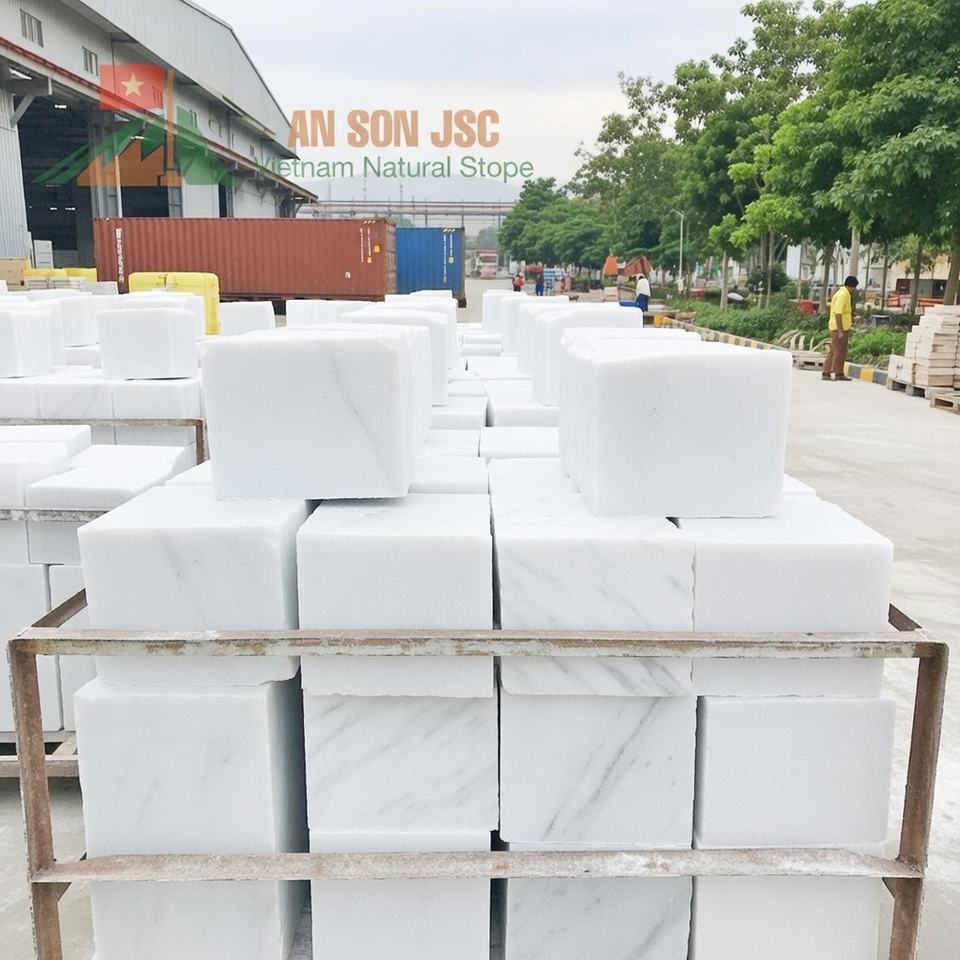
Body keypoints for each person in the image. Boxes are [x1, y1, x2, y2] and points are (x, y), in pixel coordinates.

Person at [823, 275, 859, 381]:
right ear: (852, 286)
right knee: (835, 350)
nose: (854, 290)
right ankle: (826, 372)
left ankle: (839, 373)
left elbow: (843, 312)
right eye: (854, 288)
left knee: (841, 350)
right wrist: (840, 330)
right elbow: (838, 313)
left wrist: (852, 317)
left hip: (843, 327)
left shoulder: (843, 293)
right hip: (838, 327)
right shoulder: (843, 295)